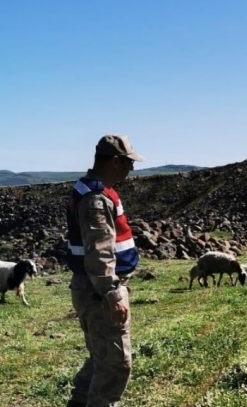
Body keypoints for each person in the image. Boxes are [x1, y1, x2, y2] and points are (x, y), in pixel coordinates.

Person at [65, 134, 143, 407]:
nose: (131, 170)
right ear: (114, 161)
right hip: (99, 292)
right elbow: (99, 252)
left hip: (93, 289)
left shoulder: (94, 191)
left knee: (102, 358)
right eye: (128, 163)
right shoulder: (96, 199)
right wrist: (112, 293)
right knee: (115, 365)